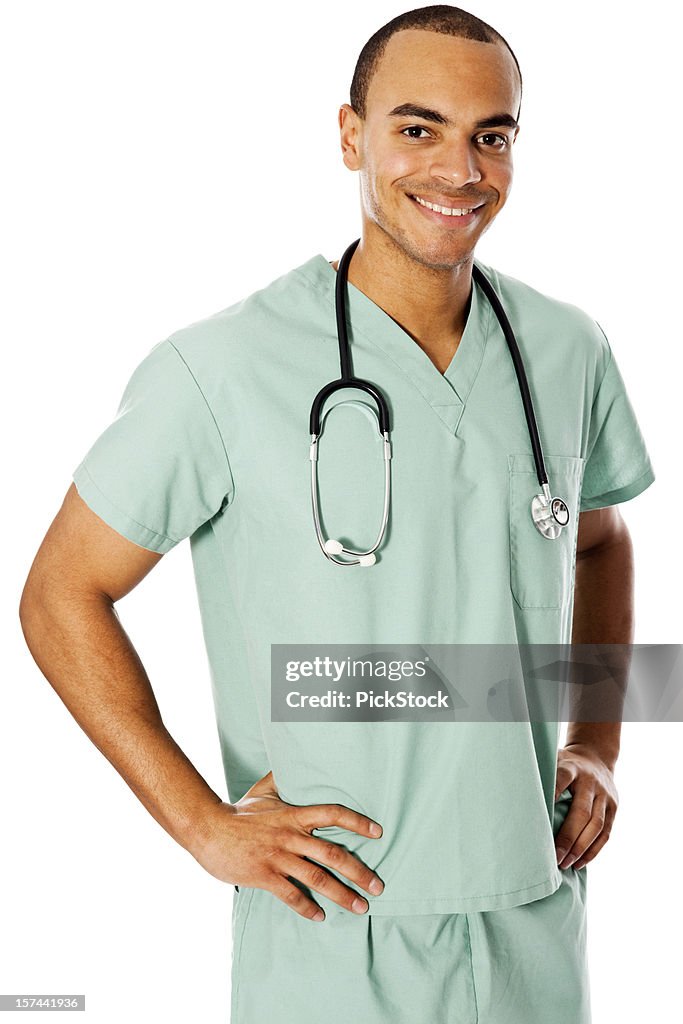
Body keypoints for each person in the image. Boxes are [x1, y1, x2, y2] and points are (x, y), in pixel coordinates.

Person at [19, 5, 655, 1023]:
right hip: (329, 931)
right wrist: (200, 824)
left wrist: (598, 741)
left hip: (531, 919)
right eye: (417, 127)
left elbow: (597, 535)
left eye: (489, 135)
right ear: (349, 134)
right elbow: (60, 593)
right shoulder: (219, 367)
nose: (458, 168)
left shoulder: (565, 347)